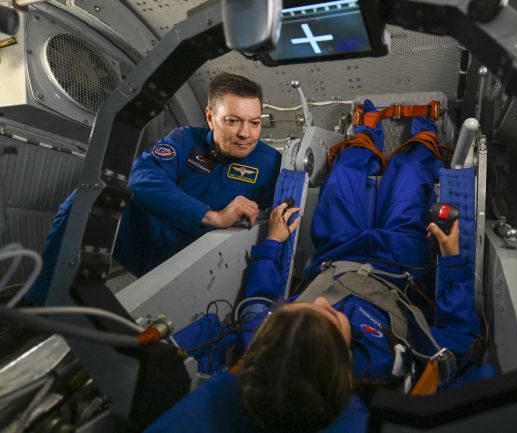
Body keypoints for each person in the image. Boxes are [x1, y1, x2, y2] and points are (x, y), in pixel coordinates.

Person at [145, 107, 488, 433]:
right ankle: (425, 127)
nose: (323, 302)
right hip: (397, 265)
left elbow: (259, 300)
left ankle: (365, 126)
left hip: (336, 252)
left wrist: (274, 242)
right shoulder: (387, 365)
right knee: (410, 176)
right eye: (331, 317)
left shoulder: (271, 346)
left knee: (343, 178)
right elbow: (459, 334)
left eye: (300, 307)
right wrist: (452, 256)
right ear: (344, 364)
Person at [26, 73, 281, 305]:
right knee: (90, 197)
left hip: (202, 258)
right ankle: (40, 304)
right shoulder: (185, 140)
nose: (246, 134)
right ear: (210, 117)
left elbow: (282, 219)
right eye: (233, 121)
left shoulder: (270, 164)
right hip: (147, 241)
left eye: (254, 123)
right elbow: (140, 178)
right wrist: (214, 216)